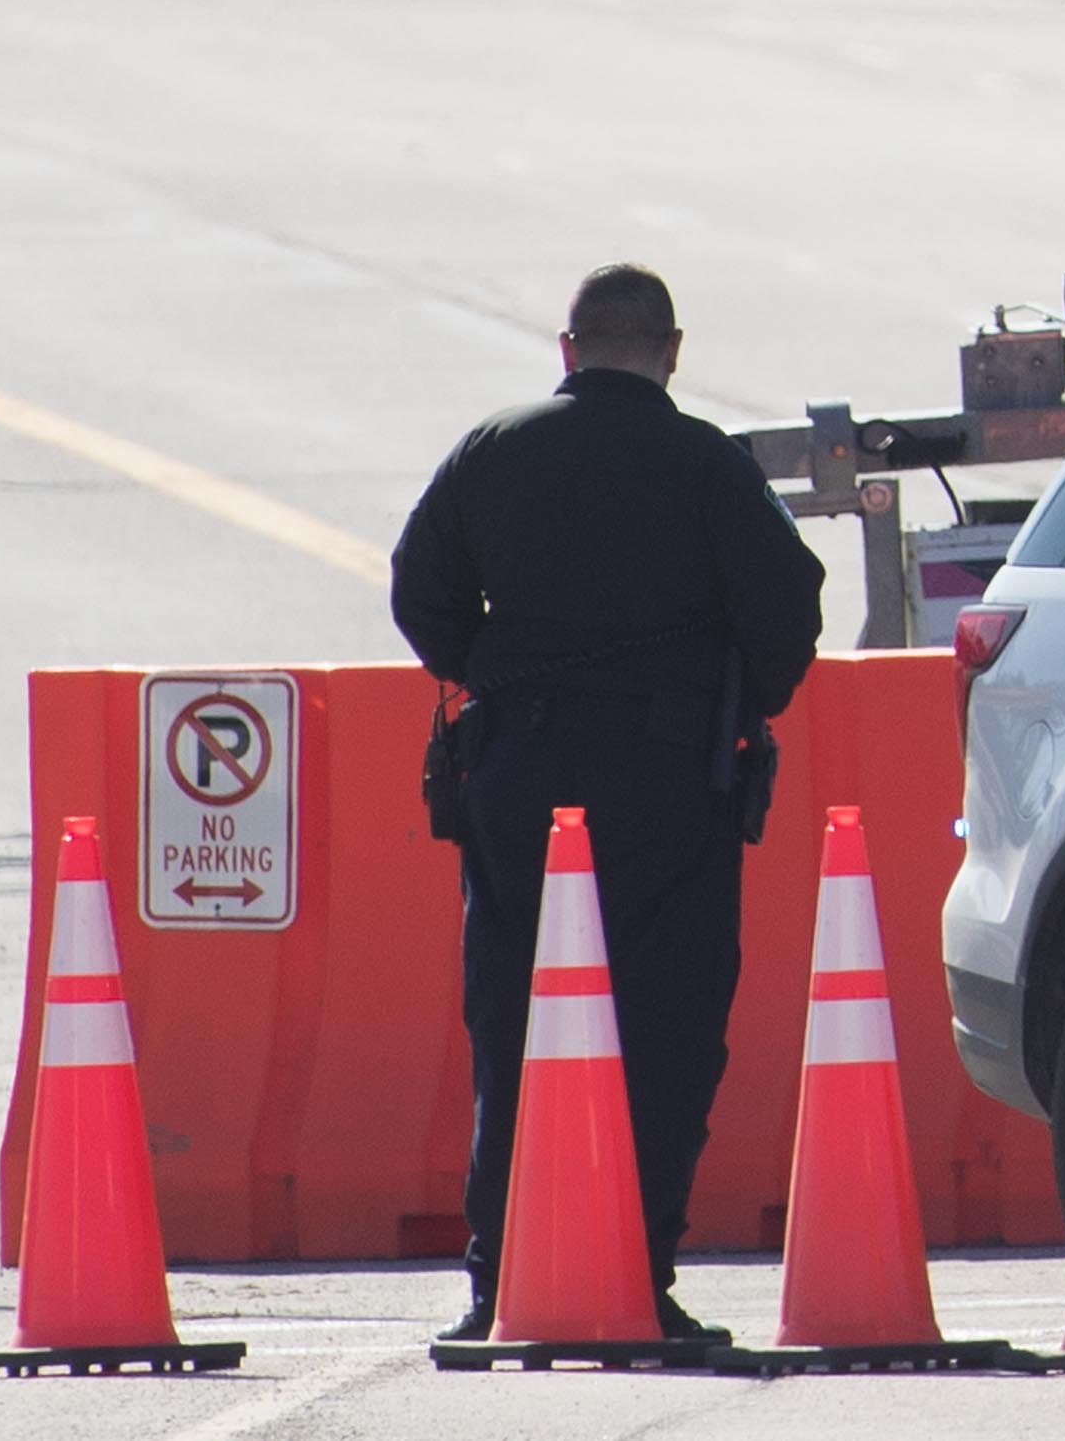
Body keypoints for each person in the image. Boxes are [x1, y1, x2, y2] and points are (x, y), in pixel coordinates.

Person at [392, 261, 828, 1345]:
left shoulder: (494, 446)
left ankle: (502, 1284)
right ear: (672, 349)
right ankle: (634, 1272)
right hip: (664, 779)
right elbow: (788, 604)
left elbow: (418, 587)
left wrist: (496, 669)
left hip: (516, 774)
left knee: (513, 1021)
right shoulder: (707, 460)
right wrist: (739, 692)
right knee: (665, 1023)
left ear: (568, 347)